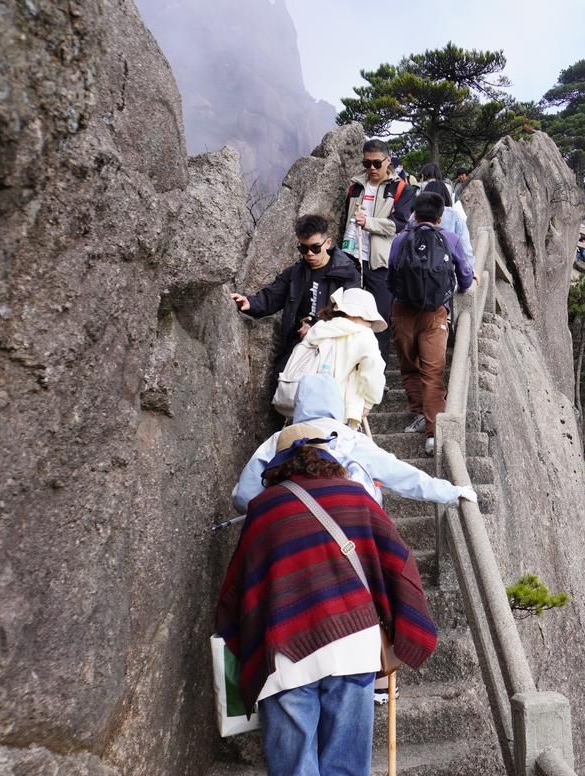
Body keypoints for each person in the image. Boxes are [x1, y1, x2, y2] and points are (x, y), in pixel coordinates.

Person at [216, 423, 438, 775]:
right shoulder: (356, 497)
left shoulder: (264, 507)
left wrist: (244, 638)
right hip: (353, 645)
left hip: (286, 654)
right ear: (328, 457)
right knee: (347, 768)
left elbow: (237, 588)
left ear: (278, 465)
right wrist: (403, 627)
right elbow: (399, 562)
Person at [233, 373, 477, 513]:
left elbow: (243, 496)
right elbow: (401, 475)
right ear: (337, 404)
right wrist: (452, 492)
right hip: (350, 518)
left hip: (283, 521)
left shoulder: (278, 440)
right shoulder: (350, 438)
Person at [388, 192, 476, 456]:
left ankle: (417, 413)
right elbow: (466, 278)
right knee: (433, 372)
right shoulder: (450, 238)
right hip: (436, 314)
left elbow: (391, 274)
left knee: (408, 365)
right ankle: (432, 433)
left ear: (414, 213)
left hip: (402, 311)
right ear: (440, 216)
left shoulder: (401, 239)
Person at [230, 214, 360, 382]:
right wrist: (250, 303)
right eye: (303, 249)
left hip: (334, 348)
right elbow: (272, 296)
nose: (309, 254)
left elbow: (350, 316)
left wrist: (315, 328)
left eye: (315, 247)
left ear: (327, 243)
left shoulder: (348, 274)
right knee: (283, 384)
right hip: (299, 345)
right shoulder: (295, 273)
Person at [339, 139, 414, 356]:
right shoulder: (355, 187)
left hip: (380, 262)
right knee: (347, 317)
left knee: (378, 319)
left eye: (376, 163)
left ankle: (377, 376)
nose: (371, 168)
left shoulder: (401, 189)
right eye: (366, 163)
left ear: (387, 160)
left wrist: (368, 222)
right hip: (351, 257)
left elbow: (399, 223)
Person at [272, 287, 387, 422]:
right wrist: (369, 402)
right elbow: (373, 371)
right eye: (370, 319)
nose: (370, 324)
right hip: (336, 408)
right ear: (358, 314)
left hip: (301, 404)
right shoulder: (363, 335)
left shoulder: (319, 329)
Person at [422, 180, 474, 271]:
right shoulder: (454, 215)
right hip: (445, 275)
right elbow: (465, 249)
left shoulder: (415, 216)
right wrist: (470, 271)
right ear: (446, 196)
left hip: (416, 273)